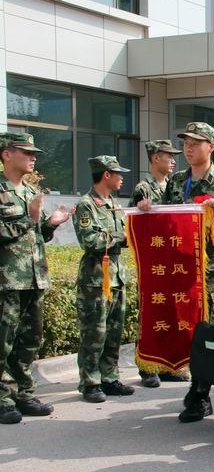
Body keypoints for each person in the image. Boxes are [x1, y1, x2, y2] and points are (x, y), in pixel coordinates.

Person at [139, 121, 214, 423]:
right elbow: (164, 222)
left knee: (205, 333)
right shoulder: (176, 182)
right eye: (186, 142)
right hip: (179, 270)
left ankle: (199, 393)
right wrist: (148, 211)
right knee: (185, 330)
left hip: (209, 272)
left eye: (196, 142)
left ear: (211, 147)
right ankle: (194, 387)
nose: (189, 148)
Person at [0, 133, 73, 424]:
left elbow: (37, 235)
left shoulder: (31, 193)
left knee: (30, 338)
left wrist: (50, 223)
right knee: (3, 340)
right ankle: (3, 397)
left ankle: (24, 393)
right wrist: (27, 220)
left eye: (34, 154)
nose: (33, 158)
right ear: (6, 154)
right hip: (7, 280)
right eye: (26, 152)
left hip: (34, 277)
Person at [73, 156, 133, 403]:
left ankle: (109, 377)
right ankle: (90, 382)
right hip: (95, 279)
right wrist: (123, 235)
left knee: (114, 333)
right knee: (94, 333)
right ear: (106, 174)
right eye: (118, 173)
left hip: (117, 277)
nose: (122, 177)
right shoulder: (86, 205)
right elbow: (92, 241)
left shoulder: (113, 204)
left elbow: (125, 238)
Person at [129, 139, 182, 388]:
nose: (173, 160)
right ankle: (146, 367)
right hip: (154, 261)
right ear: (154, 158)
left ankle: (167, 365)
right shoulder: (144, 187)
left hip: (172, 260)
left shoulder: (175, 186)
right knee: (151, 312)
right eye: (167, 155)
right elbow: (135, 224)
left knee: (170, 314)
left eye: (174, 156)